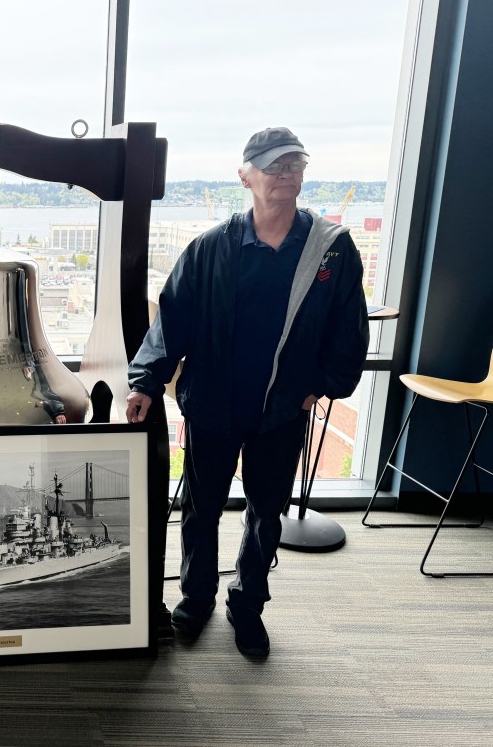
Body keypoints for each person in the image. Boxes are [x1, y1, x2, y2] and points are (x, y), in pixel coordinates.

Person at [125, 127, 368, 659]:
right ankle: (196, 598)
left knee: (266, 511)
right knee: (201, 508)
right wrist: (145, 381)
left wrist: (321, 386)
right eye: (273, 165)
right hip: (214, 403)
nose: (285, 174)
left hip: (282, 408)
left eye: (294, 164)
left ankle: (248, 604)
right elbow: (173, 320)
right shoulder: (212, 247)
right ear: (245, 176)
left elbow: (348, 326)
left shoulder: (331, 250)